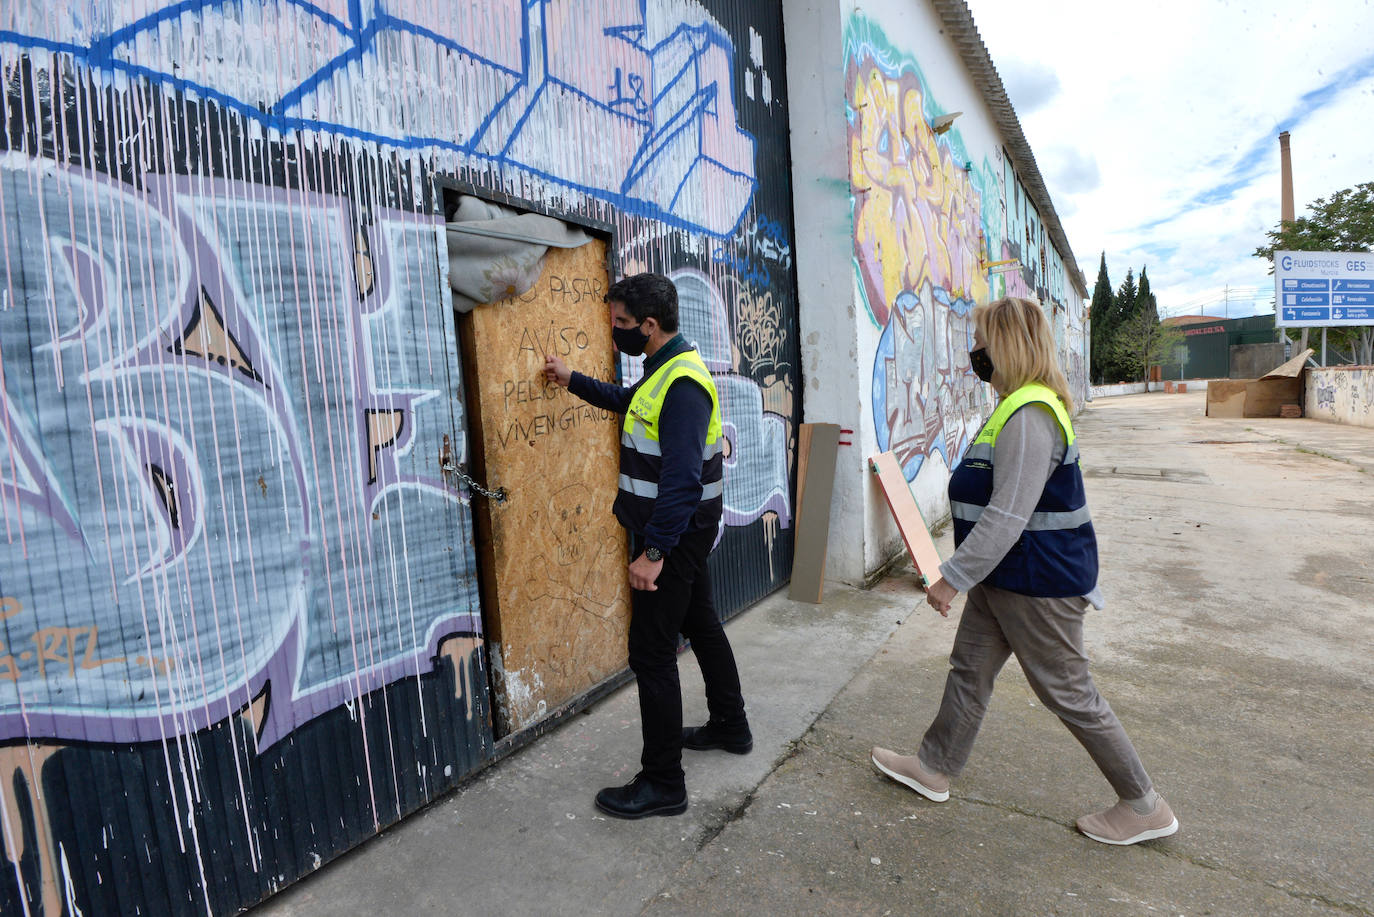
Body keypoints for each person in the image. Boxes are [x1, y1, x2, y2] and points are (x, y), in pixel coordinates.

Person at [871, 296, 1179, 846]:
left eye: (981, 343)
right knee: (970, 669)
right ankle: (934, 767)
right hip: (1006, 578)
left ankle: (1144, 805)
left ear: (1006, 346)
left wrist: (951, 576)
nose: (974, 353)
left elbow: (1008, 514)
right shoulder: (1013, 405)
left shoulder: (1031, 414)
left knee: (1067, 691)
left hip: (1039, 583)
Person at [544, 272, 752, 819]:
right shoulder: (664, 369)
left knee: (652, 653)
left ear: (650, 325)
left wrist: (652, 553)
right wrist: (572, 380)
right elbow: (627, 401)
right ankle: (732, 726)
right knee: (702, 622)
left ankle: (664, 783)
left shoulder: (682, 385)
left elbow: (682, 480)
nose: (615, 333)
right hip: (683, 532)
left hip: (674, 535)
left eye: (621, 325)